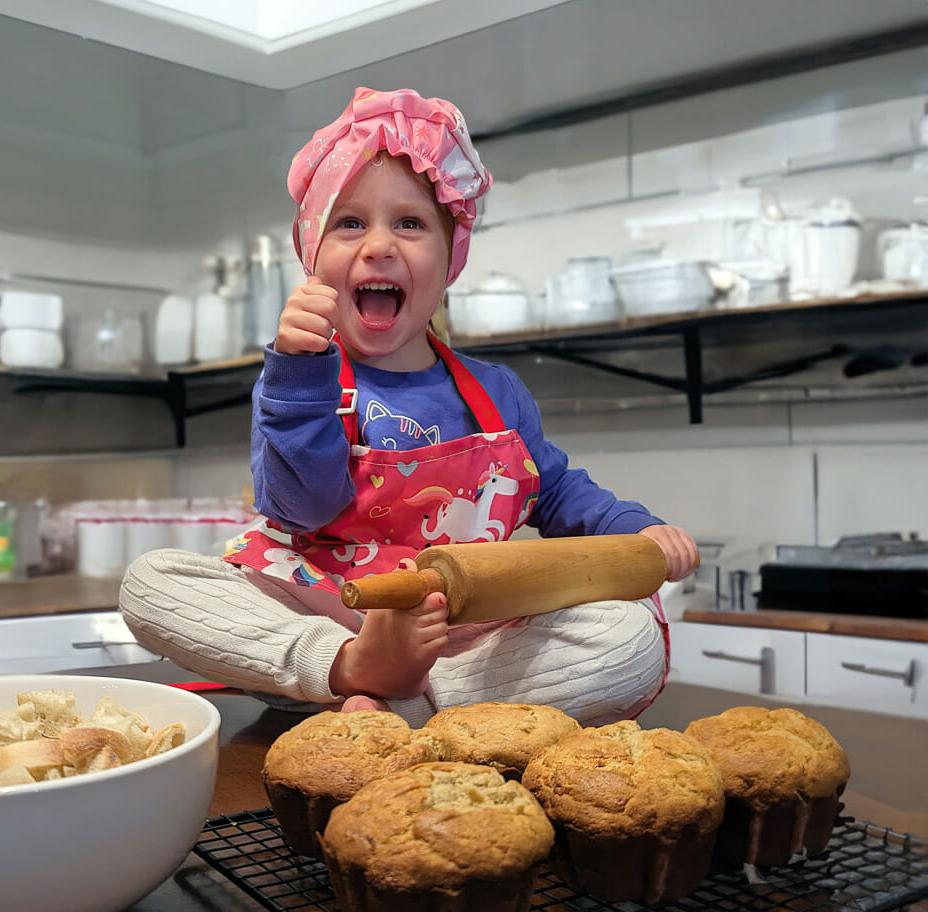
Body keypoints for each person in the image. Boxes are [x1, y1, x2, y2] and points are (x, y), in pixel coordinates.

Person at [120, 88, 698, 725]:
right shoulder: (302, 378)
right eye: (349, 223)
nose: (379, 245)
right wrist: (297, 374)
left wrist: (637, 530)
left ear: (451, 260)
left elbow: (557, 493)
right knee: (152, 582)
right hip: (322, 615)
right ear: (313, 257)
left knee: (628, 630)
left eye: (410, 223)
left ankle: (417, 701)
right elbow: (299, 507)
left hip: (462, 636)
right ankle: (353, 671)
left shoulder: (497, 392)